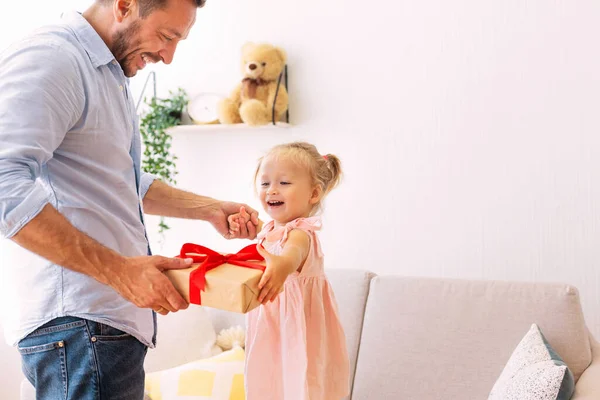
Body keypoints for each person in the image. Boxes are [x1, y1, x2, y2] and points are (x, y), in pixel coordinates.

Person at [0, 0, 259, 398]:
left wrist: (207, 208)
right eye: (167, 36)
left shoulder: (104, 73)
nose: (168, 57)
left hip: (98, 331)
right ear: (124, 5)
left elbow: (122, 181)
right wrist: (121, 272)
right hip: (81, 327)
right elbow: (3, 182)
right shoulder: (55, 59)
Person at [228, 142, 351, 400]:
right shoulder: (271, 229)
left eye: (284, 183)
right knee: (268, 382)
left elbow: (291, 254)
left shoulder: (302, 234)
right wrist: (245, 230)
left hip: (299, 330)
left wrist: (281, 265)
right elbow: (270, 241)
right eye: (265, 183)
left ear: (314, 194)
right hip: (271, 327)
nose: (272, 190)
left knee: (301, 382)